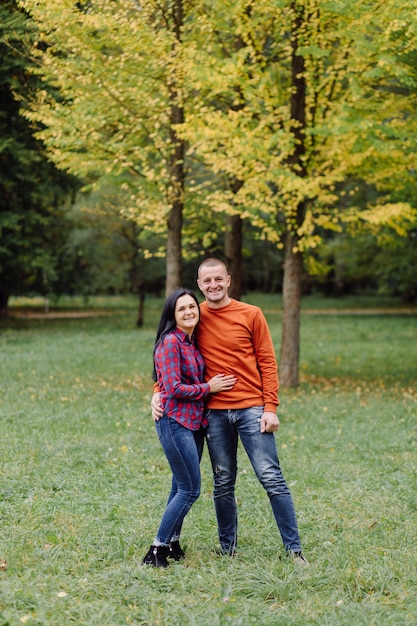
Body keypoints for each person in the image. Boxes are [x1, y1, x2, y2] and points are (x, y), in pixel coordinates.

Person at [152, 259, 308, 564]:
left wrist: (271, 407)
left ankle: (294, 550)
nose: (213, 285)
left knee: (271, 478)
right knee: (223, 482)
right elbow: (172, 356)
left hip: (251, 408)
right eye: (206, 280)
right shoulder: (193, 314)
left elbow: (267, 361)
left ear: (229, 280)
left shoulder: (251, 314)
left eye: (218, 279)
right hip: (213, 413)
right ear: (199, 284)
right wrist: (157, 392)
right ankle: (228, 548)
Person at [142, 287, 236, 568]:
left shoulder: (190, 343)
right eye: (181, 309)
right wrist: (210, 387)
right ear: (173, 314)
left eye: (192, 307)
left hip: (193, 424)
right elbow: (172, 388)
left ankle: (172, 542)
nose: (188, 312)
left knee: (177, 486)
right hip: (175, 423)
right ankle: (156, 549)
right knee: (190, 490)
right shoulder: (170, 342)